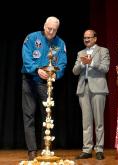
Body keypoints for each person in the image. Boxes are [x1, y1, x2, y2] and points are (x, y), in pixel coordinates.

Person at [21, 16, 67, 160]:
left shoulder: (60, 43)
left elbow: (63, 63)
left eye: (54, 30)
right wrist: (36, 69)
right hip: (29, 80)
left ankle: (45, 147)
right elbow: (26, 56)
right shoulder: (32, 38)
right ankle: (32, 150)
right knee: (28, 115)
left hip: (46, 83)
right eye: (49, 28)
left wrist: (55, 75)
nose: (51, 32)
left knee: (47, 115)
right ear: (44, 26)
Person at [72, 29, 110, 160]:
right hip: (84, 88)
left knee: (99, 121)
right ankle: (87, 149)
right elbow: (75, 71)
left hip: (98, 88)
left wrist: (91, 63)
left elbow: (105, 68)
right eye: (85, 37)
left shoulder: (103, 51)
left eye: (89, 37)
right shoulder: (80, 53)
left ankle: (99, 149)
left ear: (95, 38)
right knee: (86, 121)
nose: (87, 39)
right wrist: (82, 63)